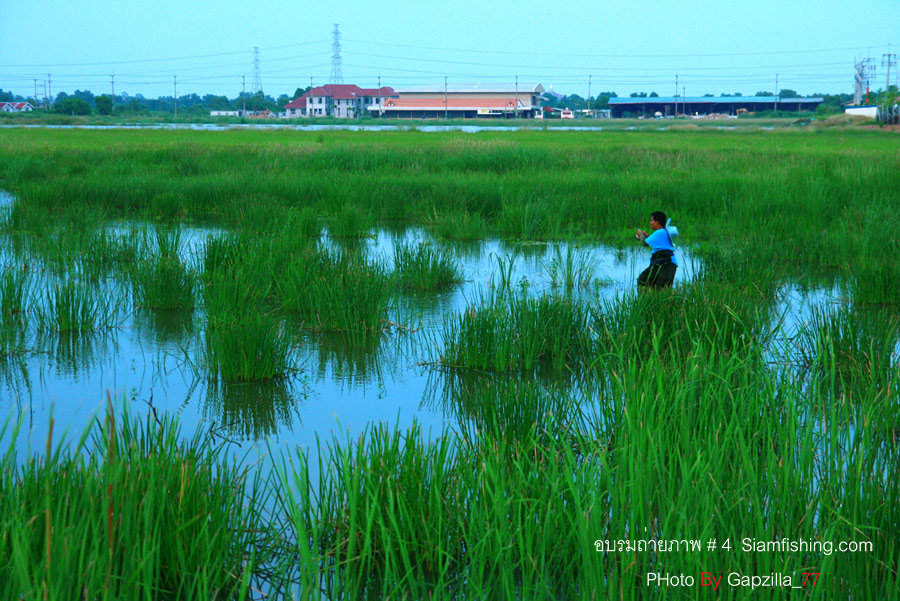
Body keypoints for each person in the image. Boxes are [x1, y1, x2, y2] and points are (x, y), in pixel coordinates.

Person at [635, 211, 678, 289]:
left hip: (666, 265)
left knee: (659, 287)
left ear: (657, 222)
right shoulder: (662, 232)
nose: (650, 222)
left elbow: (645, 243)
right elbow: (648, 242)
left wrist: (640, 234)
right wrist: (644, 236)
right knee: (644, 280)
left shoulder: (660, 232)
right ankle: (648, 299)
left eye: (652, 220)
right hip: (663, 264)